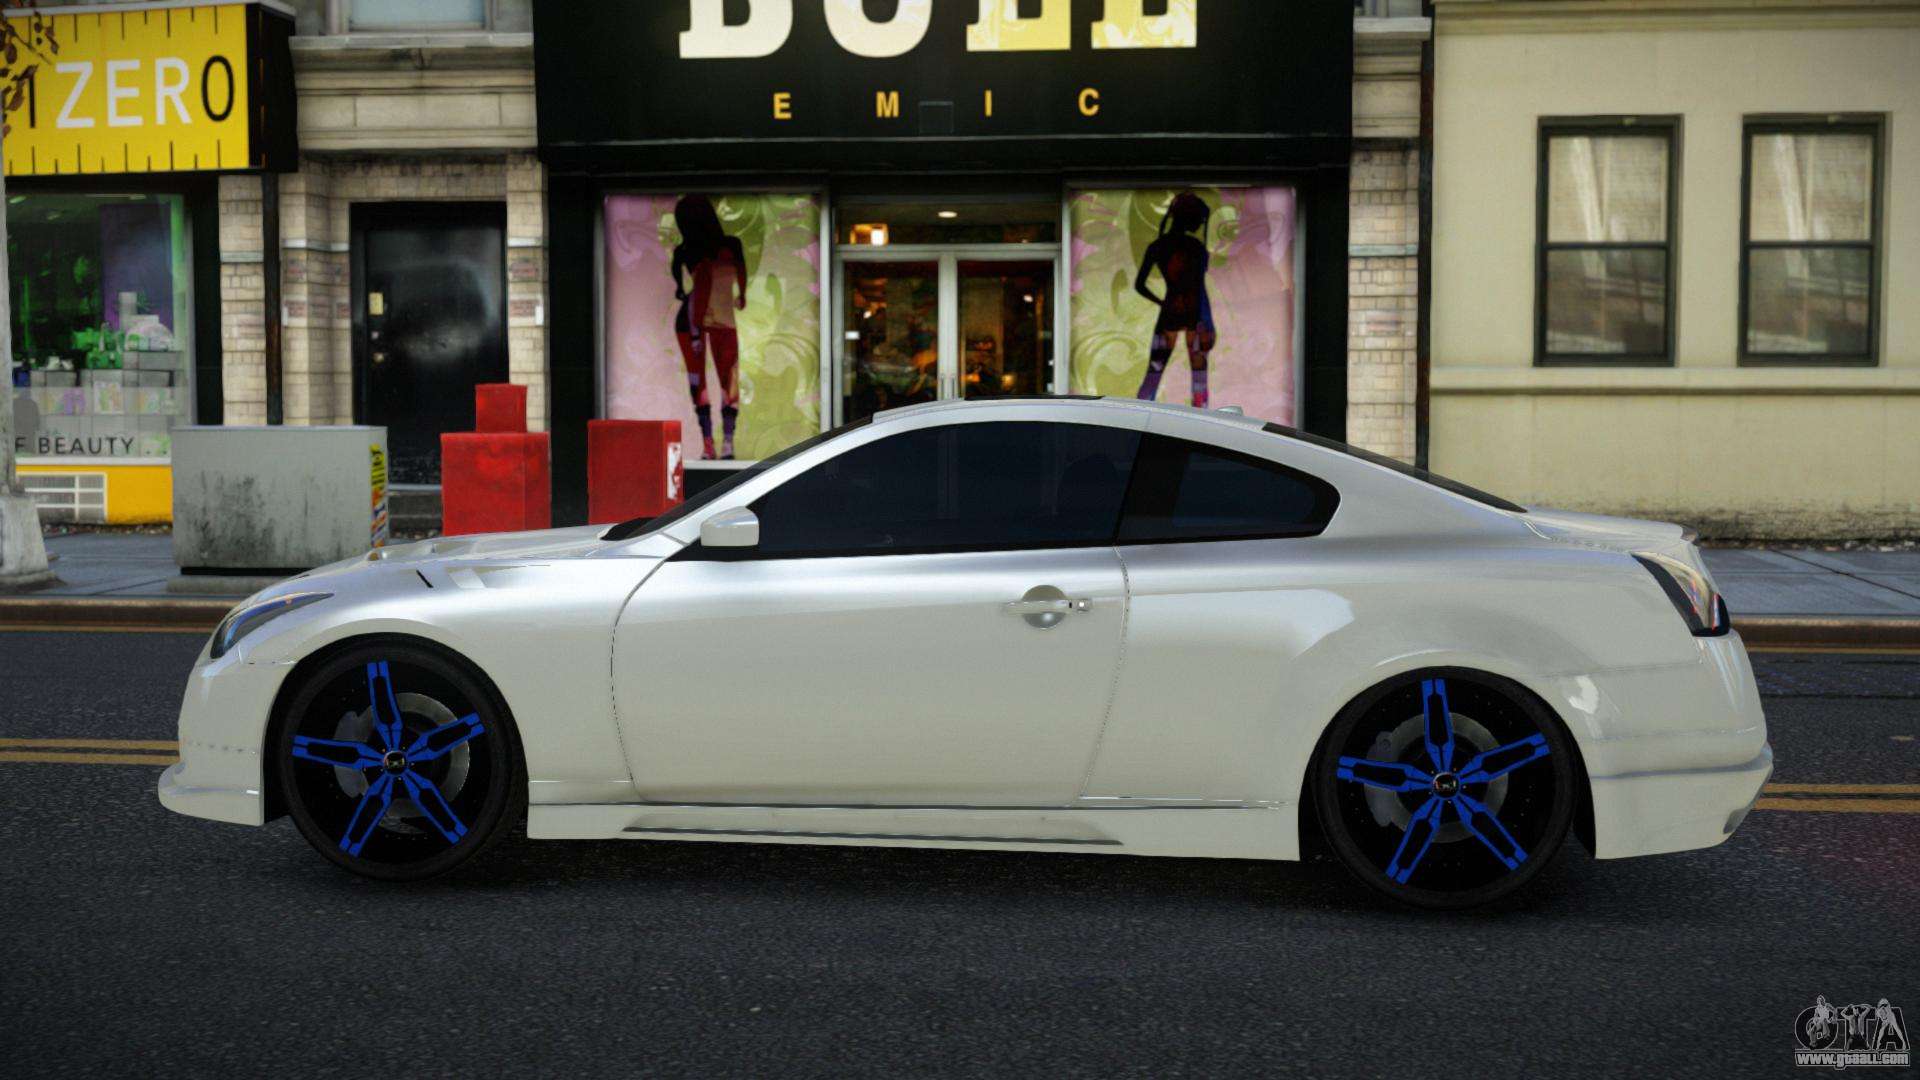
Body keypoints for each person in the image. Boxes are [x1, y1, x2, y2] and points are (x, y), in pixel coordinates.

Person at [670, 195, 749, 460]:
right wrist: (741, 295)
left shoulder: (687, 250)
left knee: (706, 381)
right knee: (723, 380)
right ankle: (721, 444)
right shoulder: (729, 246)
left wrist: (681, 290)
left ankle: (714, 445)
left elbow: (688, 286)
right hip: (709, 319)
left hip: (701, 320)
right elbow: (737, 274)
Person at [1133, 191, 1216, 409]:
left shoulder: (1158, 246)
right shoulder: (1195, 247)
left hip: (1171, 314)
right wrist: (1207, 324)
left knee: (1153, 375)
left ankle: (1136, 421)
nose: (1200, 224)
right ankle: (1202, 424)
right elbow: (1199, 289)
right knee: (1199, 381)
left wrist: (1162, 303)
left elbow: (1139, 285)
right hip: (1196, 316)